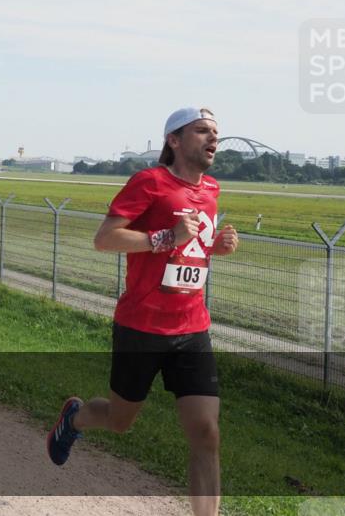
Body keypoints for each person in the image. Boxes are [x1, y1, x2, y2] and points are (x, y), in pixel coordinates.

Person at [47, 107, 239, 516]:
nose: (213, 139)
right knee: (119, 420)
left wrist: (213, 248)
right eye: (202, 131)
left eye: (216, 133)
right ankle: (75, 418)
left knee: (206, 432)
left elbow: (189, 250)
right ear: (174, 140)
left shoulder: (212, 189)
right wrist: (166, 236)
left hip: (192, 327)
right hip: (142, 325)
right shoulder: (149, 182)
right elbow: (105, 239)